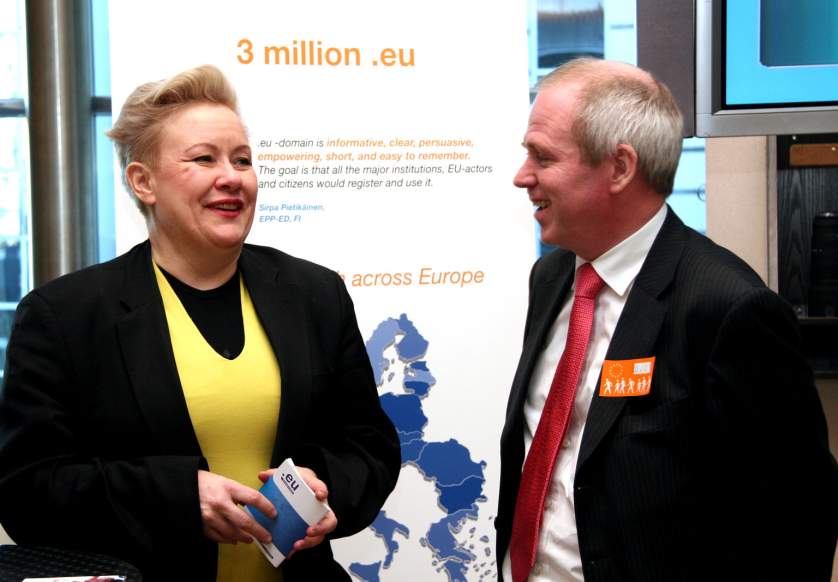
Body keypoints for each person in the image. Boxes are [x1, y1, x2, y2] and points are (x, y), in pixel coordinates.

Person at [0, 65, 400, 581]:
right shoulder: (65, 316)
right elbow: (27, 491)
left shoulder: (314, 294)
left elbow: (368, 444)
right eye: (204, 159)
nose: (231, 177)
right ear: (143, 182)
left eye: (242, 159)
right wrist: (179, 496)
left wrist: (325, 485)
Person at [496, 58, 837, 582]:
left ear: (620, 167)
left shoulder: (728, 309)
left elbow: (796, 522)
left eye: (542, 156)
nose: (522, 176)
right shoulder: (551, 278)